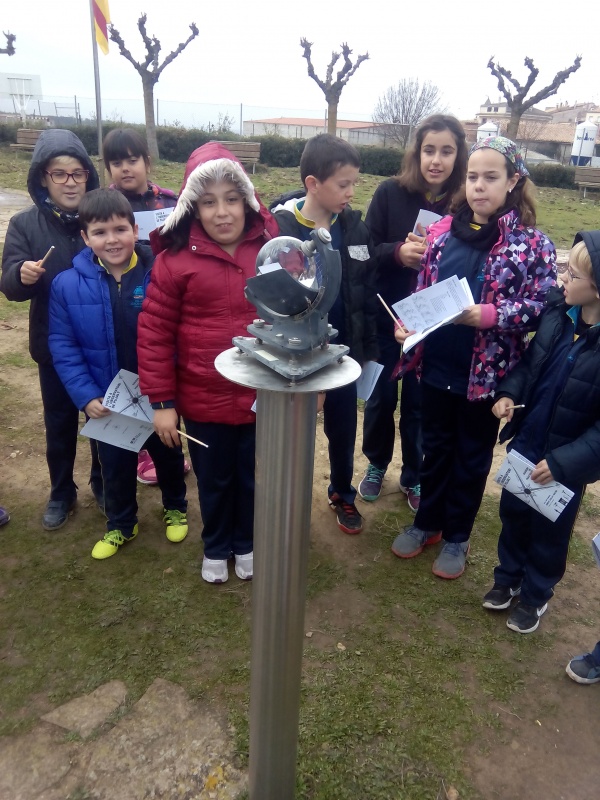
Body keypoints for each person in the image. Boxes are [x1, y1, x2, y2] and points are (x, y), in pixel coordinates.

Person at [391, 136, 556, 580]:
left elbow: (542, 305)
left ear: (513, 180)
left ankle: (457, 535)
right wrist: (408, 325)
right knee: (435, 448)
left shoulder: (533, 246)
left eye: (490, 177)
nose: (479, 186)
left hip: (486, 377)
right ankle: (427, 522)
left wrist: (489, 315)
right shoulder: (442, 235)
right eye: (473, 177)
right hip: (436, 366)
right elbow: (423, 291)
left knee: (471, 456)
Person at [137, 142, 280, 583]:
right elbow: (155, 334)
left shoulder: (272, 254)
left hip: (261, 397)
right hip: (203, 401)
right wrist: (162, 403)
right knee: (214, 480)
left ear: (247, 201)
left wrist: (306, 384)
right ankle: (216, 546)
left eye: (232, 199)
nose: (222, 212)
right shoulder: (173, 263)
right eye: (209, 202)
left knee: (252, 477)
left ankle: (247, 542)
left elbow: (297, 318)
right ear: (192, 208)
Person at [48, 188, 188, 559]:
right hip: (106, 399)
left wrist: (169, 392)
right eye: (100, 232)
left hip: (157, 395)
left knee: (169, 454)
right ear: (85, 237)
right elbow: (63, 346)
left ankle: (176, 506)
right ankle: (121, 524)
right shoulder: (66, 285)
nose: (112, 240)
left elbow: (177, 333)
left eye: (120, 229)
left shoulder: (161, 274)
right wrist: (86, 396)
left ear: (135, 230)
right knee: (114, 466)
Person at [485, 231, 600, 633]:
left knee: (550, 531)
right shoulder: (557, 318)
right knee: (514, 514)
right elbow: (529, 365)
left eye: (573, 274)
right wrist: (508, 393)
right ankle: (507, 577)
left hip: (564, 462)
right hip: (527, 442)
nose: (561, 278)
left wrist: (565, 463)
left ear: (597, 289)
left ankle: (536, 594)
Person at [270, 134, 378, 535]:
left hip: (342, 353)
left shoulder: (353, 227)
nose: (351, 192)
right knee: (291, 431)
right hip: (294, 355)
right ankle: (284, 498)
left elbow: (365, 288)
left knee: (343, 428)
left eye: (354, 183)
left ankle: (342, 493)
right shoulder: (279, 229)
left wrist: (367, 348)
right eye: (343, 184)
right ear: (313, 183)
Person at [359, 115, 468, 510]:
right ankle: (376, 463)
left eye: (446, 151)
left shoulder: (464, 204)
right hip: (387, 317)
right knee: (380, 399)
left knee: (420, 405)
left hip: (433, 323)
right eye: (428, 150)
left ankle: (414, 474)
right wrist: (397, 252)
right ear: (416, 153)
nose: (436, 160)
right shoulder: (390, 193)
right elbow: (361, 251)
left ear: (459, 156)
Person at [0, 129, 102, 531]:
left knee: (102, 419)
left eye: (77, 173)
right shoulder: (24, 224)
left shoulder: (99, 218)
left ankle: (103, 483)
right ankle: (61, 491)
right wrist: (20, 276)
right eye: (59, 174)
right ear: (43, 177)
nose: (69, 182)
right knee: (59, 424)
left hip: (99, 346)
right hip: (52, 348)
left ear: (88, 175)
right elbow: (9, 285)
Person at [102, 127, 189, 486]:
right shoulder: (103, 205)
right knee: (129, 375)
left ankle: (171, 445)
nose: (125, 168)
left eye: (132, 160)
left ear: (147, 162)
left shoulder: (171, 202)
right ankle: (140, 453)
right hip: (124, 302)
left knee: (168, 373)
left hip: (168, 300)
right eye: (116, 162)